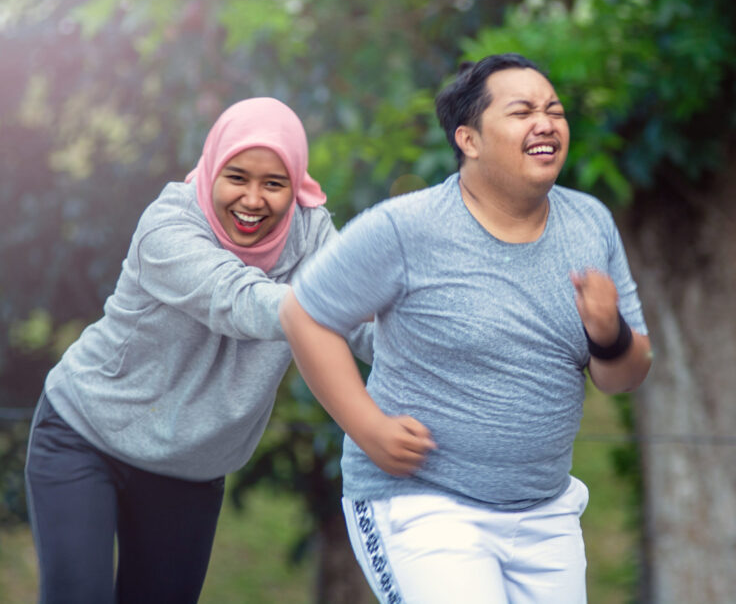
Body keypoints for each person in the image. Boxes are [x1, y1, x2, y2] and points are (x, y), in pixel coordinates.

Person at [280, 53, 652, 603]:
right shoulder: (407, 227)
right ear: (469, 140)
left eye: (554, 111)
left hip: (545, 511)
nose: (546, 124)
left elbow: (625, 375)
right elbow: (304, 313)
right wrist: (367, 427)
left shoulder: (590, 222)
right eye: (522, 112)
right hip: (424, 505)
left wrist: (609, 333)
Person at [24, 97, 371, 604]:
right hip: (88, 433)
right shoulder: (169, 225)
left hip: (191, 466)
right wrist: (332, 304)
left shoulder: (311, 235)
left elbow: (364, 320)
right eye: (237, 177)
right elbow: (238, 300)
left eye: (274, 184)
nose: (253, 199)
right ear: (212, 170)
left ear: (296, 185)